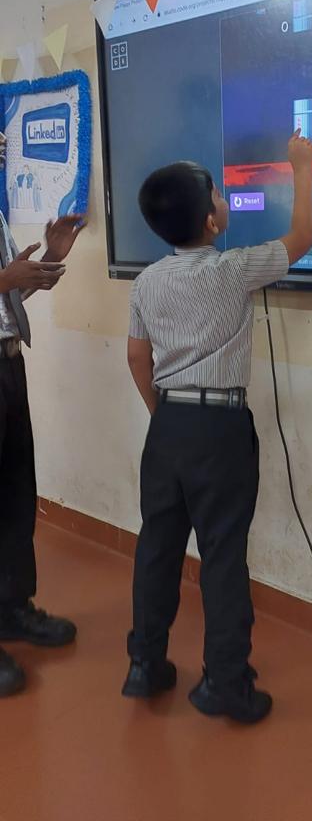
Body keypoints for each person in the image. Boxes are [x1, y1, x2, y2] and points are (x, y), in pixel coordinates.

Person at [123, 129, 312, 724]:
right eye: (217, 195)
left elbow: (136, 357)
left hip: (168, 425)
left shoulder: (146, 281)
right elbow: (303, 238)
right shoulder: (233, 269)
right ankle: (225, 684)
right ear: (211, 221)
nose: (225, 201)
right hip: (219, 429)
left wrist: (163, 415)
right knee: (223, 556)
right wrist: (301, 167)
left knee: (157, 547)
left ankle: (145, 665)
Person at [0, 131, 86, 698]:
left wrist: (49, 259)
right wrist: (4, 278)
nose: (1, 142)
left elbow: (6, 301)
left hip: (8, 366)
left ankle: (10, 607)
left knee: (14, 492)